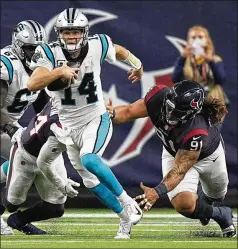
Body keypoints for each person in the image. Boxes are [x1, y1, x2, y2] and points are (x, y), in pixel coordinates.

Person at [27, 8, 144, 239]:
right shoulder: (49, 53)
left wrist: (137, 65)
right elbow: (33, 83)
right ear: (59, 33)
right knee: (90, 182)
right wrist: (60, 70)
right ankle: (124, 220)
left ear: (85, 32)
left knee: (89, 159)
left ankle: (128, 202)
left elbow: (120, 51)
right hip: (68, 127)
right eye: (66, 31)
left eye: (76, 31)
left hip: (95, 118)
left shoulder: (98, 45)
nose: (71, 36)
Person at [106, 80, 236, 238]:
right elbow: (127, 111)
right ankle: (221, 214)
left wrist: (156, 192)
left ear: (191, 114)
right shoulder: (158, 97)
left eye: (177, 112)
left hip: (208, 156)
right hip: (174, 152)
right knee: (184, 205)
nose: (169, 114)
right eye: (169, 107)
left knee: (217, 195)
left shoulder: (196, 130)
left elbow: (179, 171)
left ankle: (206, 201)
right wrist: (111, 113)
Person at [0, 20, 49, 235]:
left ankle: (17, 218)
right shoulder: (7, 64)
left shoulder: (39, 67)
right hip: (3, 123)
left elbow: (42, 105)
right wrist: (11, 129)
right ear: (18, 45)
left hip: (8, 124)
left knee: (33, 160)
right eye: (30, 48)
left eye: (38, 48)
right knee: (23, 160)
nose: (35, 53)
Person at [3, 101, 80, 235]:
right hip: (26, 155)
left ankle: (19, 220)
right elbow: (43, 163)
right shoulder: (60, 124)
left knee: (55, 208)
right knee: (12, 204)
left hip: (50, 155)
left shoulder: (60, 101)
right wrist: (62, 184)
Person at [172, 25, 229, 124]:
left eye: (200, 37)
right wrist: (182, 58)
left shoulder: (215, 60)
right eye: (193, 38)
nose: (197, 40)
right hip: (191, 101)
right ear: (188, 41)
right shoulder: (185, 61)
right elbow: (175, 79)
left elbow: (220, 79)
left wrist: (210, 61)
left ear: (207, 40)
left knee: (211, 133)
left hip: (213, 100)